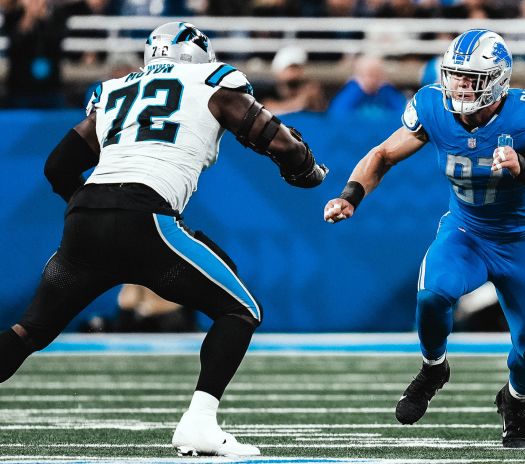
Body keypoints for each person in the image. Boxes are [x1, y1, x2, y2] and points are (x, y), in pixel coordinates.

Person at [0, 21, 328, 456]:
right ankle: (199, 423)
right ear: (197, 54)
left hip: (85, 217)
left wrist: (93, 212)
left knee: (28, 333)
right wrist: (305, 168)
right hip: (144, 216)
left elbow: (58, 166)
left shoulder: (114, 91)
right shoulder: (214, 82)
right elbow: (280, 142)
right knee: (240, 310)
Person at [324, 29, 525, 448]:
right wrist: (350, 195)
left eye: (470, 78)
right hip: (468, 231)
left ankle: (514, 402)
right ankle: (433, 368)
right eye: (455, 75)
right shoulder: (432, 104)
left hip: (522, 242)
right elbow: (382, 154)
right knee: (433, 294)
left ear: (498, 80)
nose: (459, 86)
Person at [327, 54, 407, 117]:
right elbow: (337, 114)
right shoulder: (352, 91)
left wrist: (386, 88)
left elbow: (403, 113)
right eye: (369, 74)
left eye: (377, 75)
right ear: (358, 76)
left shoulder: (386, 92)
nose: (373, 79)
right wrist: (358, 89)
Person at [261, 45, 327, 115]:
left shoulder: (311, 91)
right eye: (291, 68)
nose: (295, 72)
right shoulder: (267, 93)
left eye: (297, 68)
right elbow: (269, 108)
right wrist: (300, 101)